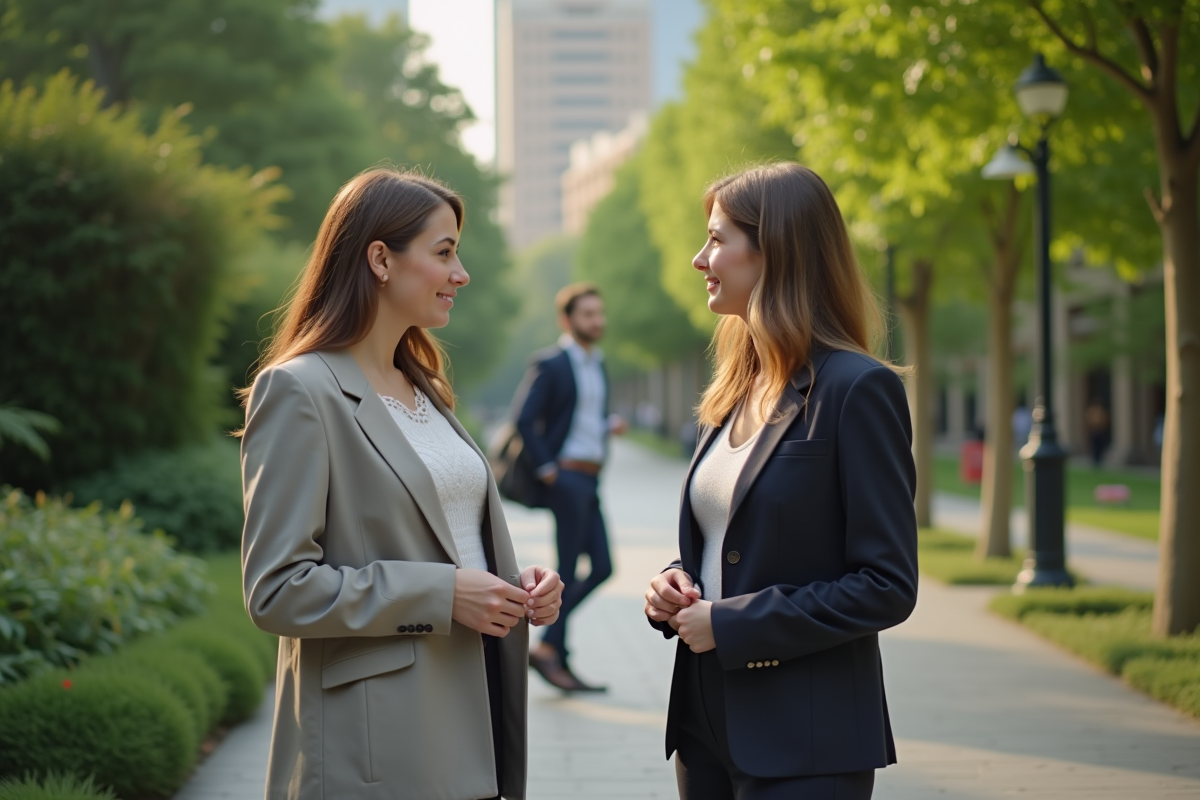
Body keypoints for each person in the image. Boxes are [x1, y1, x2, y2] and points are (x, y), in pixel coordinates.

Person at [239, 168, 564, 800]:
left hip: (474, 708)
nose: (461, 274)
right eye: (444, 253)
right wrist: (441, 593)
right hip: (377, 743)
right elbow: (276, 590)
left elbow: (448, 540)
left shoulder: (425, 388)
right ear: (381, 259)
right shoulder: (300, 392)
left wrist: (513, 587)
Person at [643, 163, 918, 800]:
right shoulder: (736, 389)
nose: (698, 257)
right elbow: (737, 542)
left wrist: (733, 623)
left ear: (778, 250)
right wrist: (676, 583)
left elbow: (886, 585)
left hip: (806, 739)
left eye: (716, 239)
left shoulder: (857, 390)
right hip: (705, 724)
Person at [514, 283, 627, 692]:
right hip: (566, 478)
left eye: (600, 313)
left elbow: (581, 417)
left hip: (590, 477)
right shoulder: (552, 363)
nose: (597, 321)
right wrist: (547, 468)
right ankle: (552, 650)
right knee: (568, 566)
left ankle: (549, 649)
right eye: (587, 315)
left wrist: (606, 424)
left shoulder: (597, 363)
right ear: (567, 320)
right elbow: (525, 419)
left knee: (602, 567)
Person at [1084, 397, 1110, 467]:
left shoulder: (1102, 411)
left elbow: (1105, 420)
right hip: (1094, 431)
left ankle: (1099, 459)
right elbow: (1088, 420)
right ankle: (1095, 459)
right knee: (1094, 446)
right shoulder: (1092, 410)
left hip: (1100, 431)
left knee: (1100, 446)